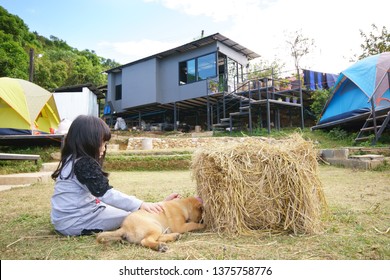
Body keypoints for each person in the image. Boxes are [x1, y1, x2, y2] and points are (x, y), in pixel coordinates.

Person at [50, 115, 179, 236]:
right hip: (76, 222)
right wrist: (141, 204)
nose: (104, 149)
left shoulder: (72, 160)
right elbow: (107, 194)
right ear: (88, 142)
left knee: (130, 209)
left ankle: (156, 206)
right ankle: (159, 209)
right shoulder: (83, 164)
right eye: (102, 143)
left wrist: (142, 204)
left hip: (68, 218)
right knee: (134, 215)